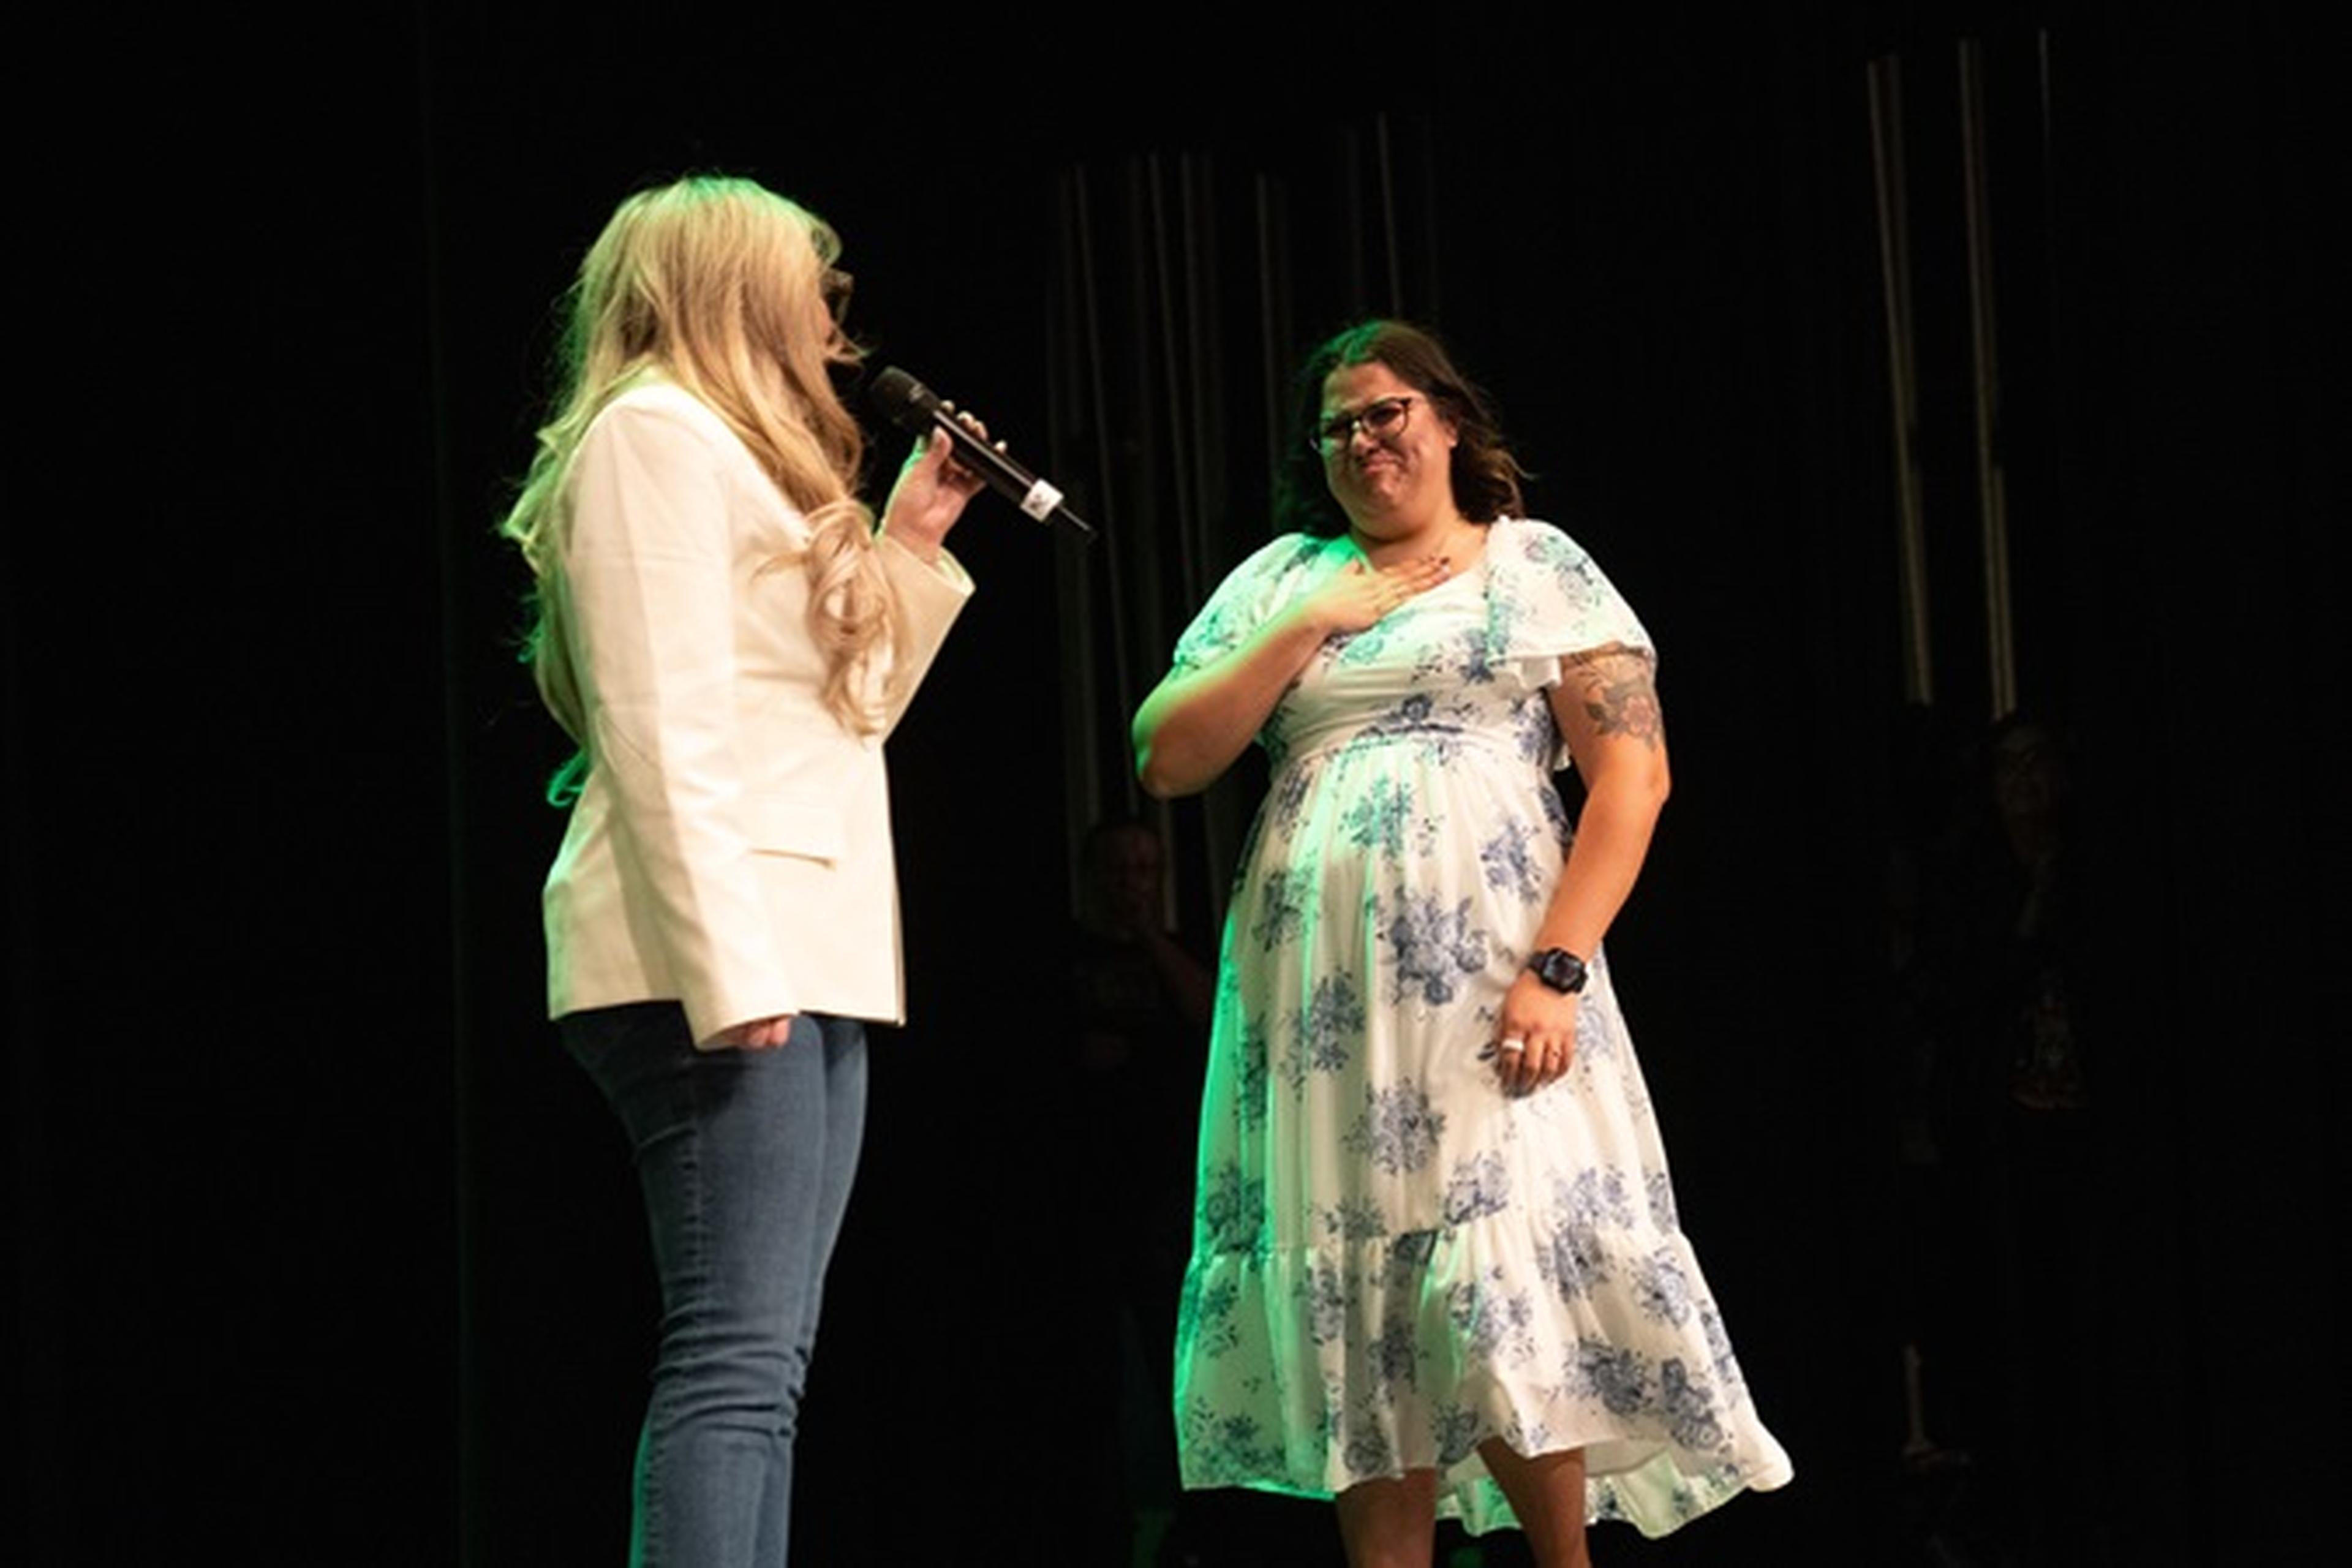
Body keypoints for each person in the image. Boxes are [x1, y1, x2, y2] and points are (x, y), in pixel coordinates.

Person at [1133, 320, 1792, 1567]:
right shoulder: (1284, 576)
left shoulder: (1530, 563)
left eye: (1385, 412)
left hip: (1493, 985)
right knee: (1366, 1301)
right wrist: (1307, 622)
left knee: (1499, 1278)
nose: (1363, 440)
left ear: (1445, 422)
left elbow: (1631, 778)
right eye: (1337, 425)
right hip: (1321, 1014)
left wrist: (1560, 963)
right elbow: (1168, 753)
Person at [499, 175, 985, 1567]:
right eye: (804, 280)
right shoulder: (648, 435)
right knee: (735, 1355)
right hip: (720, 950)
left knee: (770, 1363)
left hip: (805, 939)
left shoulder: (740, 453)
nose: (830, 313)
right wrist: (728, 968)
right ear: (732, 286)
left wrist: (907, 538)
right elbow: (662, 730)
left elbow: (846, 709)